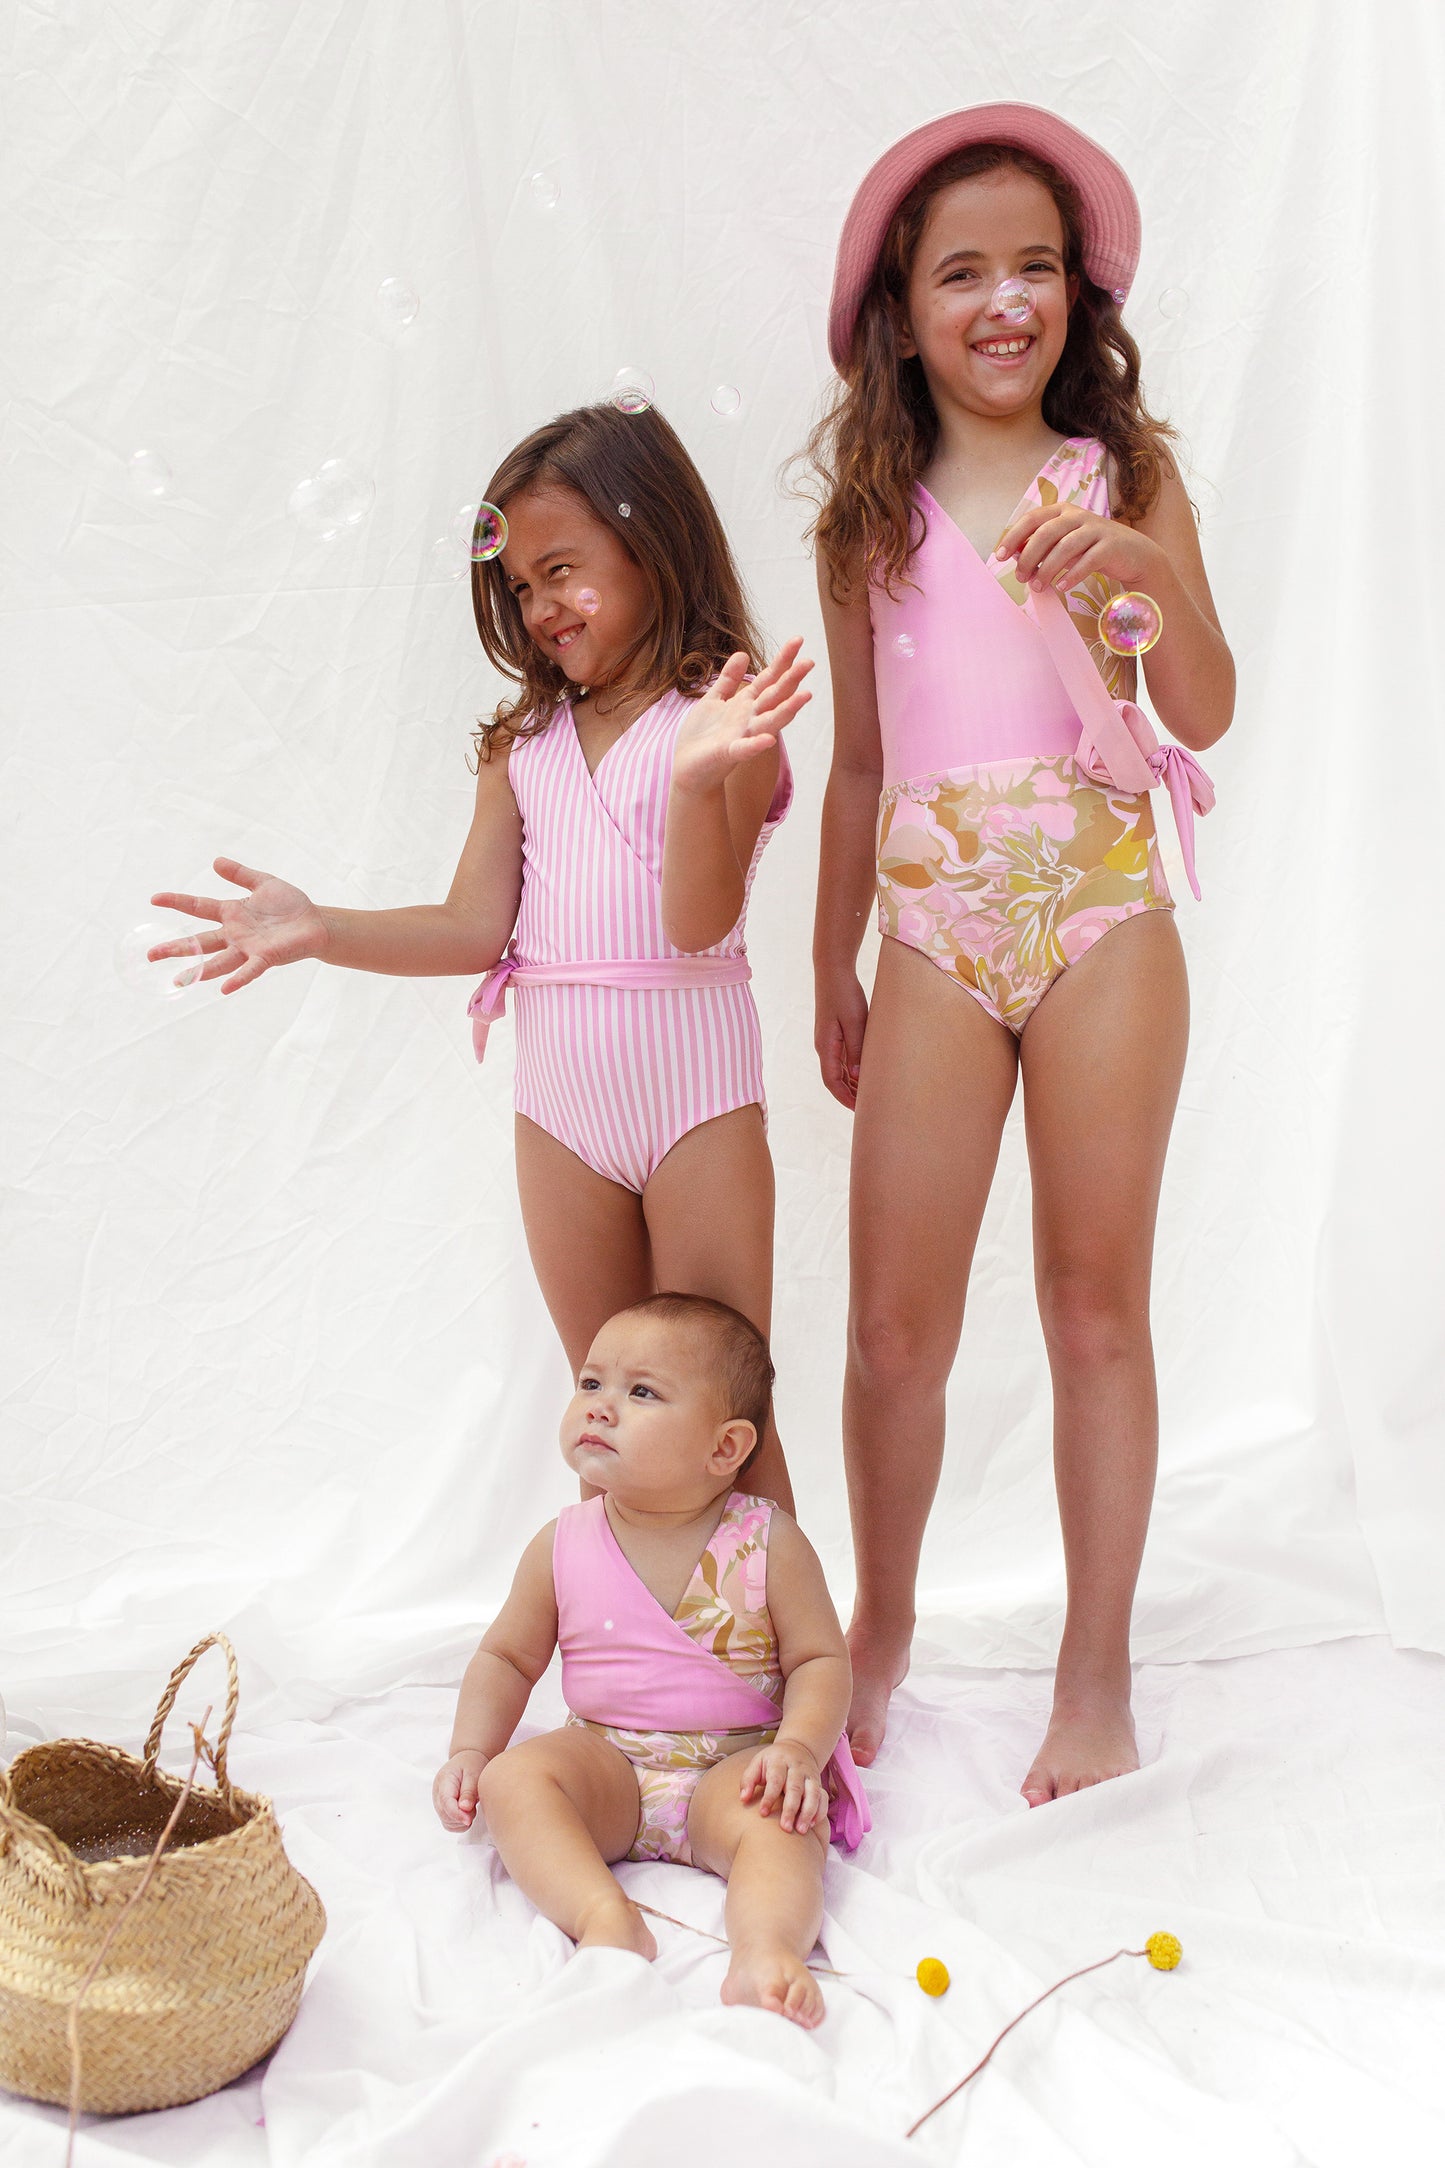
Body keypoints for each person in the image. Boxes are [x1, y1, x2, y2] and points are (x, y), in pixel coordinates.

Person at [800, 104, 1234, 1798]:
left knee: (1091, 1304)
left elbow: (1203, 705)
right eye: (961, 270)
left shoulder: (1123, 473)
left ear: (1078, 293)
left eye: (1034, 267)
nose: (1004, 301)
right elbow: (854, 762)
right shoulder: (869, 509)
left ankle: (1098, 1665)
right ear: (900, 308)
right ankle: (883, 1628)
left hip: (1103, 903)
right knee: (893, 1332)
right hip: (931, 920)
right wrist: (831, 963)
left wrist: (1137, 569)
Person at [150, 402, 811, 1508]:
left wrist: (699, 781)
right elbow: (471, 927)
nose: (540, 605)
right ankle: (634, 1668)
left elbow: (697, 922)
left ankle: (789, 1668)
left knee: (720, 1422)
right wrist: (323, 928)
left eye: (562, 569)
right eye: (519, 587)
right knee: (610, 1426)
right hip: (560, 1113)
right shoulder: (522, 746)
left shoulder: (723, 716)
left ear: (650, 543)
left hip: (695, 1096)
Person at [433, 1293, 869, 2029]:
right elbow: (506, 1657)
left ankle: (764, 1950)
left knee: (783, 1826)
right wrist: (472, 1750)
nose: (600, 1407)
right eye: (590, 1383)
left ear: (724, 1449)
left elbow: (820, 1660)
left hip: (734, 1767)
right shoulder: (561, 1542)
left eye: (640, 1392)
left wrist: (797, 1749)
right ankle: (604, 1916)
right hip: (606, 1764)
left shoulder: (766, 1541)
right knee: (516, 1780)